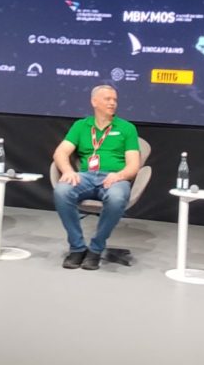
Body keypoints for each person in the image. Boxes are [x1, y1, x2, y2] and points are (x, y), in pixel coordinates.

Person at [51, 84, 141, 270]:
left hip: (115, 178)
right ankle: (77, 247)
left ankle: (96, 248)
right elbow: (60, 153)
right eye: (107, 99)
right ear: (94, 102)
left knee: (117, 198)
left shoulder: (127, 128)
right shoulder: (81, 126)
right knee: (62, 191)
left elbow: (133, 165)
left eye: (115, 100)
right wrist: (67, 171)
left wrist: (119, 175)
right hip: (86, 176)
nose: (112, 103)